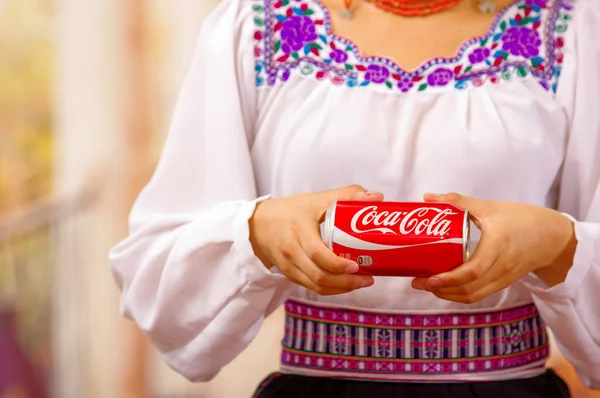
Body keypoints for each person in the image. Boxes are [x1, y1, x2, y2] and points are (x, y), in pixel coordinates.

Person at [108, 0, 600, 395]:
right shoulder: (255, 26)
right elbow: (157, 280)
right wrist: (257, 233)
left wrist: (558, 244)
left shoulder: (573, 30)